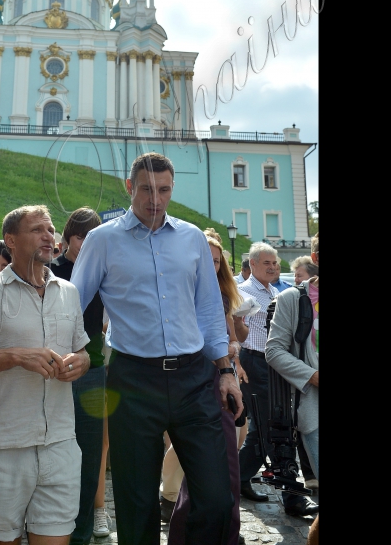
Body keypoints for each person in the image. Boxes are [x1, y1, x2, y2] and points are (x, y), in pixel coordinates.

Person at [71, 152, 243, 545]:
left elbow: (209, 310)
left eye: (164, 190)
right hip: (133, 380)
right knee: (136, 504)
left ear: (171, 189)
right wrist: (72, 351)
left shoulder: (193, 238)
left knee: (217, 498)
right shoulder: (102, 239)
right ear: (130, 187)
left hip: (194, 378)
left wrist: (226, 371)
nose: (155, 199)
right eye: (147, 189)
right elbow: (72, 304)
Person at [0, 205, 90, 544]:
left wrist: (80, 363)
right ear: (11, 240)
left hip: (60, 445)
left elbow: (81, 350)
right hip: (4, 446)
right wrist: (14, 356)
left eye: (50, 229)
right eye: (37, 229)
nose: (48, 235)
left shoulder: (68, 292)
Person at [167, 230, 248, 545]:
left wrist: (232, 357)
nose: (211, 266)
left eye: (217, 261)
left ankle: (221, 532)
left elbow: (230, 338)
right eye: (206, 259)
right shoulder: (179, 290)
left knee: (222, 467)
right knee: (216, 469)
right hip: (193, 384)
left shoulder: (222, 295)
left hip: (220, 382)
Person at [236, 243, 319, 518]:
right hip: (256, 362)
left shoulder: (276, 291)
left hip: (280, 368)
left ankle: (234, 478)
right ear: (253, 264)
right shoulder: (242, 291)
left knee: (261, 433)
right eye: (267, 263)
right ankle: (292, 495)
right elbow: (234, 332)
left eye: (275, 263)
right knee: (274, 429)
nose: (273, 267)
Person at [50, 207, 108, 544]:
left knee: (89, 454)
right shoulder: (52, 270)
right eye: (79, 237)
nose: (85, 243)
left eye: (91, 237)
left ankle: (81, 533)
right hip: (56, 370)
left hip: (94, 370)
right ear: (68, 237)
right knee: (55, 450)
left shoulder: (105, 271)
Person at [266, 232, 319, 484]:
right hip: (313, 407)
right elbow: (274, 351)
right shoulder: (292, 299)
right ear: (315, 257)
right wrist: (312, 376)